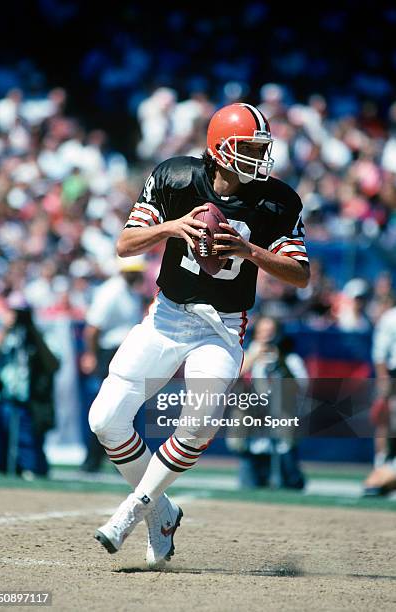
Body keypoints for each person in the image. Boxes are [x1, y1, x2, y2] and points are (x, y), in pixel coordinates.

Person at [88, 103, 310, 566]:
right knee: (104, 419)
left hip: (223, 325)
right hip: (168, 314)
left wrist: (250, 251)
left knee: (199, 419)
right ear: (220, 149)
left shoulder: (278, 200)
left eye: (261, 148)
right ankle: (162, 513)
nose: (259, 157)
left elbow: (300, 274)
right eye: (248, 147)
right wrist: (173, 226)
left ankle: (133, 511)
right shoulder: (176, 178)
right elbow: (125, 244)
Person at [79, 256, 145, 472]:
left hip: (125, 351)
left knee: (125, 407)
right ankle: (93, 460)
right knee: (108, 407)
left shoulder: (129, 291)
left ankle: (122, 461)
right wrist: (91, 354)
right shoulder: (111, 292)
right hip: (110, 353)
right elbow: (93, 328)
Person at [0, 296, 60, 477]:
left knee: (30, 454)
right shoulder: (3, 335)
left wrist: (33, 331)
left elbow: (53, 365)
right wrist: (5, 329)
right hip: (2, 399)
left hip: (29, 403)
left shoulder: (41, 336)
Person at [234, 317, 308, 489]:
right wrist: (253, 358)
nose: (267, 337)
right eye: (263, 332)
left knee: (290, 484)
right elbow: (230, 382)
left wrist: (280, 361)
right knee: (249, 487)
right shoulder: (244, 356)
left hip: (280, 433)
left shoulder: (290, 359)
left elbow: (300, 388)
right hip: (252, 435)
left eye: (271, 333)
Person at [363, 302, 396, 496]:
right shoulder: (391, 318)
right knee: (386, 421)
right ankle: (381, 465)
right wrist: (383, 382)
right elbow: (380, 354)